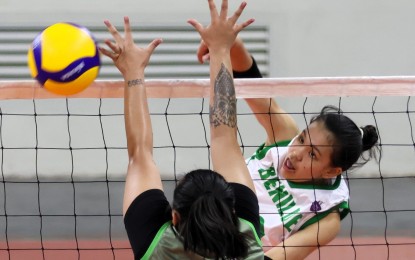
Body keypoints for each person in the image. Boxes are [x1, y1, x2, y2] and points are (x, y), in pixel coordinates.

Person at [100, 1, 269, 259]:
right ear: (232, 212)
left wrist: (133, 72)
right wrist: (221, 48)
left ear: (174, 217)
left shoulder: (156, 245)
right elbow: (224, 138)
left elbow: (140, 156)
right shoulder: (247, 240)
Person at [195, 37, 379, 259]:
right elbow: (252, 82)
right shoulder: (284, 135)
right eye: (302, 139)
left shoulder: (326, 217)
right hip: (199, 228)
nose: (296, 153)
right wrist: (233, 44)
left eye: (312, 154)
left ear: (331, 171)